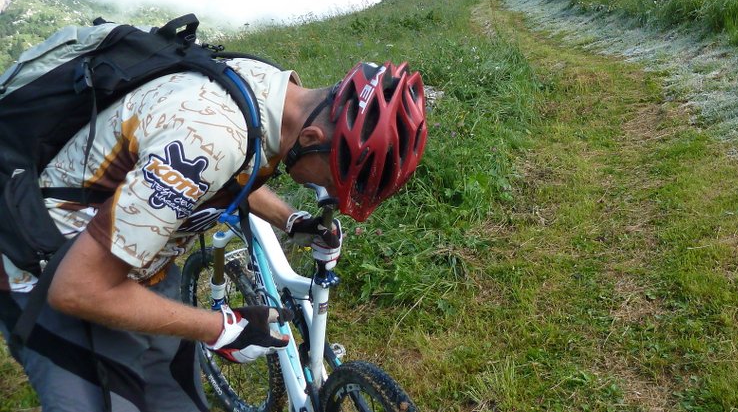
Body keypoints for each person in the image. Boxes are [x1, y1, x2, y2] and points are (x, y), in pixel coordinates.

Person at [0, 58, 428, 412]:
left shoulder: (272, 89)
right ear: (312, 137)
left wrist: (290, 219)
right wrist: (223, 328)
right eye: (338, 178)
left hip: (138, 261)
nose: (335, 193)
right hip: (48, 274)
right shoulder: (209, 136)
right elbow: (77, 290)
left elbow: (232, 174)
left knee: (177, 400)